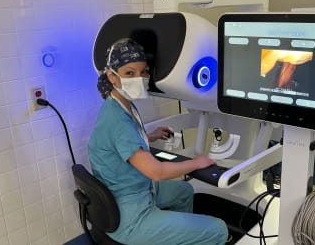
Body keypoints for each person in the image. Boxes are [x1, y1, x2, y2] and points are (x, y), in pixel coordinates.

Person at [88, 38, 228, 245]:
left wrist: (149, 136)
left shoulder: (120, 105)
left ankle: (182, 238)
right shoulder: (116, 120)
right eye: (129, 73)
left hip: (136, 193)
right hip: (131, 216)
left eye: (143, 72)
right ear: (112, 76)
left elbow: (124, 142)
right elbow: (157, 172)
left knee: (185, 192)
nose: (139, 78)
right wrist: (197, 163)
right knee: (218, 229)